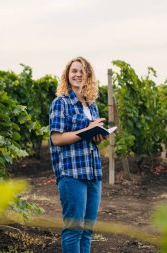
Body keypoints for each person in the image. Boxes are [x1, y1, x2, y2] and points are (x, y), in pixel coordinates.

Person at [49, 56, 105, 253]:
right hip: (72, 173)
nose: (78, 74)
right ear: (67, 75)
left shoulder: (92, 105)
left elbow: (89, 137)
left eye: (82, 71)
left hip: (93, 172)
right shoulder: (60, 103)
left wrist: (96, 136)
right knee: (74, 229)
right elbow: (57, 139)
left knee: (88, 230)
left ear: (88, 76)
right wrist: (86, 131)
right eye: (74, 71)